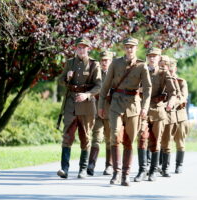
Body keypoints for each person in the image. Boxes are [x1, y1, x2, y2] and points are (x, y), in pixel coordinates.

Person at [98, 37, 152, 186]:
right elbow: (105, 86)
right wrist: (101, 106)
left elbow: (148, 89)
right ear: (124, 48)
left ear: (136, 48)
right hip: (116, 104)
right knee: (114, 135)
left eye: (132, 47)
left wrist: (145, 108)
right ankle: (116, 172)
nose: (129, 49)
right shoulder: (115, 64)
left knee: (129, 140)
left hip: (133, 106)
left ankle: (125, 175)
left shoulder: (142, 66)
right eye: (127, 47)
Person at [57, 37, 102, 179]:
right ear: (75, 48)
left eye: (84, 47)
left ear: (88, 49)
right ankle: (64, 169)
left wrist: (87, 95)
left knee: (85, 136)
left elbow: (99, 85)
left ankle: (83, 169)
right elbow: (60, 80)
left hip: (87, 104)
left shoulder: (94, 65)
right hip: (71, 103)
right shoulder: (70, 63)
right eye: (79, 47)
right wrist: (66, 78)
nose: (81, 50)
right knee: (67, 135)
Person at [134, 48, 176, 182]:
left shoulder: (164, 73)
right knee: (142, 138)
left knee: (156, 141)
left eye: (155, 56)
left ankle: (152, 171)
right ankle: (142, 170)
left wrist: (170, 102)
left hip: (158, 110)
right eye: (150, 56)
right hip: (143, 110)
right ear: (147, 57)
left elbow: (173, 92)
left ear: (159, 58)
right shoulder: (141, 70)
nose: (152, 58)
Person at [161, 57, 189, 176]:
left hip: (180, 114)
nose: (170, 72)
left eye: (172, 70)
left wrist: (173, 102)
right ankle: (163, 165)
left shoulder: (181, 82)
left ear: (175, 69)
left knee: (180, 141)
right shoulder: (164, 81)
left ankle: (179, 165)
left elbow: (183, 97)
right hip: (167, 115)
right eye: (169, 70)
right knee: (165, 141)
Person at [87, 51, 113, 176]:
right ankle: (91, 164)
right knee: (96, 138)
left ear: (110, 61)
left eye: (106, 60)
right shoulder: (96, 74)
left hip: (110, 111)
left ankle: (109, 166)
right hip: (97, 110)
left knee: (109, 139)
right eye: (102, 60)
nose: (104, 62)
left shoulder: (115, 75)